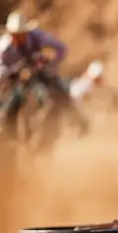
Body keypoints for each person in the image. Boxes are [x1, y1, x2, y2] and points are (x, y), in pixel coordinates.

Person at [0, 11, 88, 139]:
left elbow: (61, 48)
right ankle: (6, 134)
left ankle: (79, 123)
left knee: (60, 93)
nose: (17, 38)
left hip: (39, 73)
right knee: (9, 105)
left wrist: (51, 63)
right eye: (14, 34)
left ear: (25, 32)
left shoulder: (37, 36)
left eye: (20, 34)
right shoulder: (4, 47)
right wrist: (17, 71)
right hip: (15, 79)